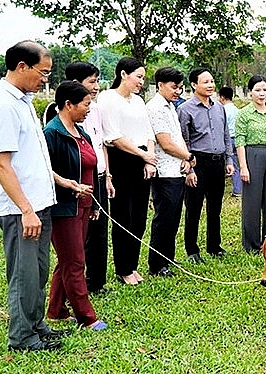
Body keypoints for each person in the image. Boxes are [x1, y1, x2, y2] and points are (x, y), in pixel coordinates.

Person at [0, 41, 69, 351]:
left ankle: (37, 324)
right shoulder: (4, 105)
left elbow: (32, 157)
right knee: (23, 274)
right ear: (22, 66)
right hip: (20, 208)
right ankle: (22, 337)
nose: (45, 80)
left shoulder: (24, 101)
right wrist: (25, 209)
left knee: (38, 271)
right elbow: (2, 164)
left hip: (39, 204)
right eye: (43, 73)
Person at [43, 81, 107, 331]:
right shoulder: (52, 133)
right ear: (68, 105)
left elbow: (92, 169)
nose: (88, 109)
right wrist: (69, 185)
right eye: (85, 104)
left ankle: (56, 310)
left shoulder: (83, 134)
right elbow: (45, 170)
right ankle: (87, 318)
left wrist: (93, 204)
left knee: (68, 259)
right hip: (64, 207)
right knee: (75, 262)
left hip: (84, 206)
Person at [96, 57, 156, 285]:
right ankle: (123, 268)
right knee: (124, 215)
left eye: (143, 77)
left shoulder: (139, 101)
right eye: (138, 76)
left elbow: (148, 132)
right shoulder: (108, 99)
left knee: (140, 217)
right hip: (122, 159)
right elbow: (113, 136)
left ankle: (133, 264)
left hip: (142, 158)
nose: (141, 81)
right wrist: (142, 155)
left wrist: (149, 159)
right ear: (123, 74)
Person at [65, 61, 115, 294]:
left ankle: (96, 282)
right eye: (91, 82)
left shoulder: (93, 108)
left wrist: (107, 176)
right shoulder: (62, 113)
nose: (96, 87)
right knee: (78, 237)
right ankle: (76, 286)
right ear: (75, 84)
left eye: (97, 81)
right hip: (78, 181)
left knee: (98, 233)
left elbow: (100, 144)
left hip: (98, 176)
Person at [178, 68, 235, 263]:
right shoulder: (185, 109)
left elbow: (226, 135)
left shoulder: (219, 107)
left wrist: (229, 159)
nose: (210, 85)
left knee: (215, 207)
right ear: (194, 85)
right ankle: (192, 250)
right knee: (193, 208)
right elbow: (183, 142)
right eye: (205, 82)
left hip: (217, 162)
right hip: (198, 162)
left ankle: (214, 246)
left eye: (212, 81)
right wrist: (189, 169)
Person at [146, 67, 194, 277]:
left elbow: (178, 137)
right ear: (160, 85)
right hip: (164, 172)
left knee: (173, 217)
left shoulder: (171, 107)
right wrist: (189, 157)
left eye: (180, 88)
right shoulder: (155, 108)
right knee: (164, 218)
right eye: (174, 87)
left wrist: (186, 158)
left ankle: (167, 257)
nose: (178, 91)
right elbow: (165, 143)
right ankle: (157, 265)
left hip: (176, 169)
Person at [235, 75, 266, 253]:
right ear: (250, 92)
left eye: (264, 90)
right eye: (257, 90)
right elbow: (240, 141)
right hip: (253, 155)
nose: (262, 94)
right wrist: (243, 167)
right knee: (252, 202)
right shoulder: (244, 114)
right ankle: (252, 244)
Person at [219, 86, 241, 197]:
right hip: (237, 140)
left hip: (226, 140)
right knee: (236, 166)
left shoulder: (222, 110)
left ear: (222, 97)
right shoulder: (238, 110)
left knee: (222, 165)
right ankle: (238, 190)